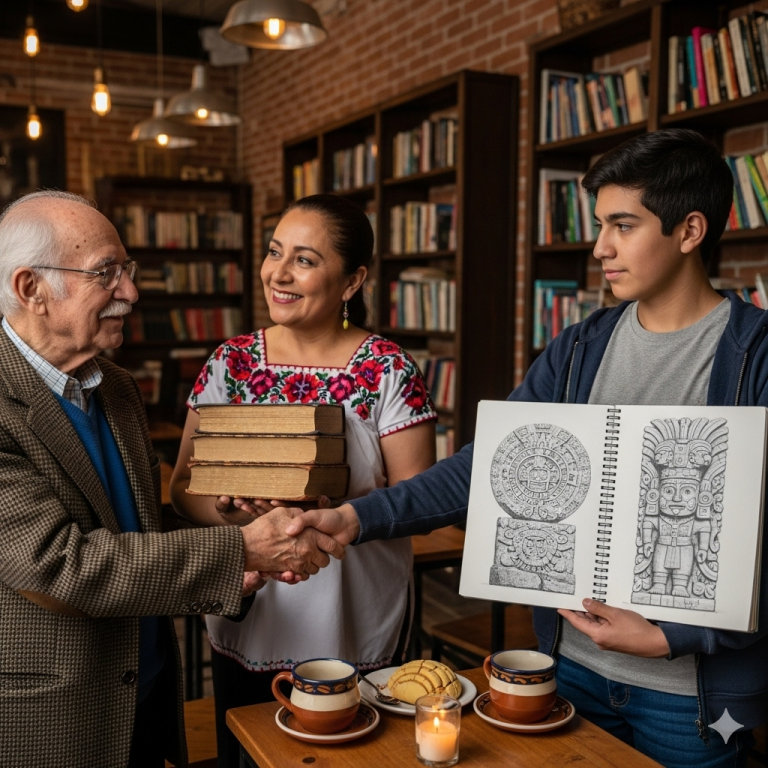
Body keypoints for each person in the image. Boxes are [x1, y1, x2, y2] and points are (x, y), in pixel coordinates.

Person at [288, 129, 768, 768]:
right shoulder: (577, 349)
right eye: (600, 225)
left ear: (689, 231)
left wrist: (673, 636)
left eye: (623, 226)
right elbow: (484, 467)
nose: (600, 247)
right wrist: (355, 517)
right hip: (564, 673)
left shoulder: (755, 356)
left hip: (693, 699)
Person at [0, 190, 344, 768]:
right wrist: (240, 550)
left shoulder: (116, 386)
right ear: (31, 289)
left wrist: (242, 528)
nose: (131, 293)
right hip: (59, 710)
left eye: (127, 271)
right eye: (106, 273)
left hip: (148, 691)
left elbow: (132, 522)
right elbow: (59, 565)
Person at [170, 193, 437, 767]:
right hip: (252, 605)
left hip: (353, 607)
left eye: (305, 260)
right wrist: (239, 520)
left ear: (351, 281)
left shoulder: (386, 369)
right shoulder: (231, 362)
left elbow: (418, 500)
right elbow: (182, 489)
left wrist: (333, 519)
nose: (279, 274)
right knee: (248, 751)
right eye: (274, 253)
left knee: (355, 754)